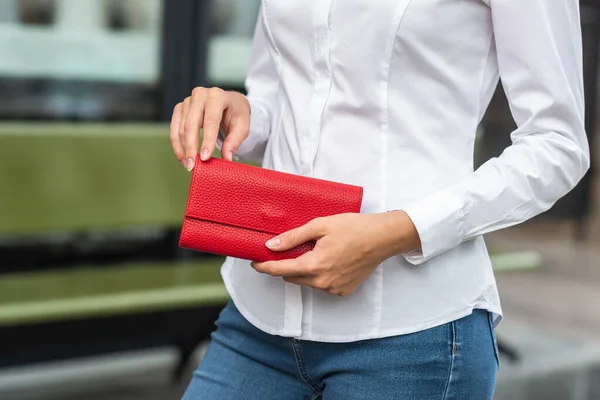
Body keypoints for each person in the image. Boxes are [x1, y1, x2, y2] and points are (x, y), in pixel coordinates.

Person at [170, 1, 589, 399]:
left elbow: (557, 145)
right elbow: (285, 97)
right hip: (260, 315)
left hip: (409, 335)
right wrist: (240, 111)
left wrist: (396, 231)